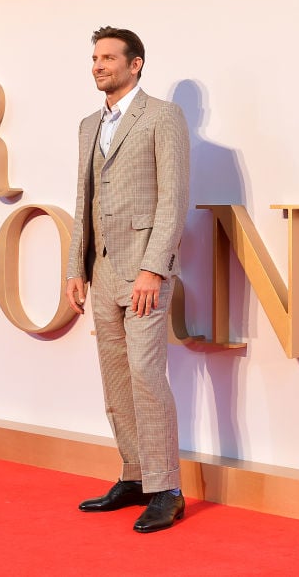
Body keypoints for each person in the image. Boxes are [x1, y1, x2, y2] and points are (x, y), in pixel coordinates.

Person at [65, 26, 191, 533]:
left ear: (135, 64)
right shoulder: (88, 125)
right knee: (116, 380)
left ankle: (167, 488)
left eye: (109, 58)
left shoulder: (163, 116)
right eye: (94, 58)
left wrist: (153, 269)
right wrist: (76, 266)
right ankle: (134, 476)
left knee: (146, 376)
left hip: (144, 274)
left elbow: (173, 199)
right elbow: (84, 200)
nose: (98, 66)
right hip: (103, 272)